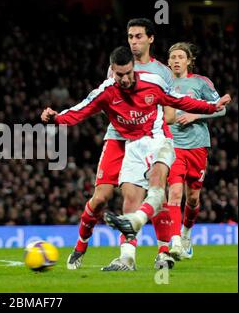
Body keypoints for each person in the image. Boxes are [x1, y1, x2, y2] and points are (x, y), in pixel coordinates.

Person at [41, 46, 230, 269]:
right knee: (130, 199)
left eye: (128, 73)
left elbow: (180, 100)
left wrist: (211, 107)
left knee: (158, 188)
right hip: (132, 146)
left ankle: (147, 231)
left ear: (133, 68)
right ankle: (128, 258)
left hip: (159, 140)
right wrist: (56, 119)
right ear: (112, 71)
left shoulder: (153, 82)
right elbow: (80, 110)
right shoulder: (106, 91)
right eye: (119, 74)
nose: (125, 79)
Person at [67, 18, 176, 271]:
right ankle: (81, 244)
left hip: (149, 138)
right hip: (118, 138)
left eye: (139, 36)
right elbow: (107, 101)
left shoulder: (162, 73)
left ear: (151, 39)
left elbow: (169, 113)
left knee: (153, 192)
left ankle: (158, 252)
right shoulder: (117, 66)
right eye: (130, 37)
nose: (134, 42)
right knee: (101, 197)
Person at [165, 42, 226, 260]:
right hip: (172, 146)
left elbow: (222, 108)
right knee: (174, 194)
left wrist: (196, 115)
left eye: (180, 57)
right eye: (172, 57)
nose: (176, 61)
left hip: (197, 146)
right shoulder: (161, 82)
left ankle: (186, 233)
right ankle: (175, 243)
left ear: (189, 60)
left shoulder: (201, 83)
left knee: (192, 198)